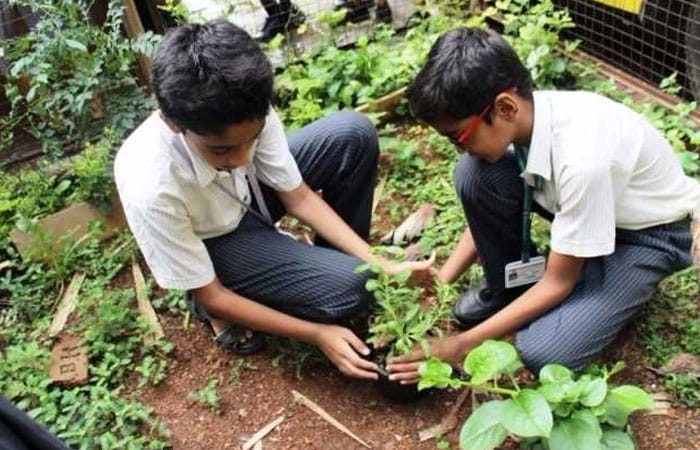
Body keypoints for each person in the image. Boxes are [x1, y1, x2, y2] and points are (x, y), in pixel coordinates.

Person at [115, 20, 431, 380]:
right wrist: (317, 333)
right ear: (173, 123)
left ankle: (326, 268)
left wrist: (382, 265)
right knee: (354, 286)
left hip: (245, 201)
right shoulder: (151, 185)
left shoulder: (244, 103)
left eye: (252, 139)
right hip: (215, 240)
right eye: (222, 149)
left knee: (352, 135)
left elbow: (297, 197)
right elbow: (211, 293)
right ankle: (258, 299)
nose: (243, 159)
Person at [387, 27, 700, 383]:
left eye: (457, 136)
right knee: (474, 174)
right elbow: (481, 221)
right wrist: (440, 284)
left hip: (646, 235)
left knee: (546, 351)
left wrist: (460, 345)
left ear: (505, 107)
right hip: (592, 206)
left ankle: (614, 281)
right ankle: (514, 289)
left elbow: (557, 282)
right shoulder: (528, 115)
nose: (458, 147)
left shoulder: (582, 158)